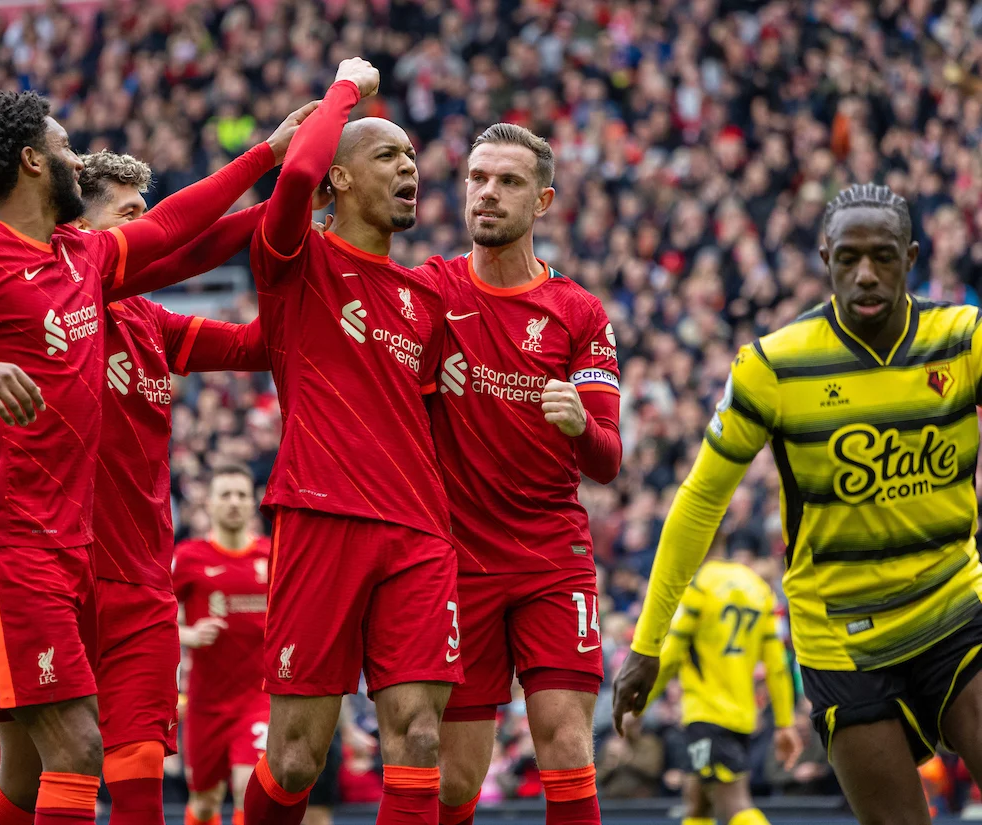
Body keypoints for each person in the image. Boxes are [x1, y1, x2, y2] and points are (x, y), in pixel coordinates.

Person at [0, 89, 310, 825]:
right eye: (65, 146)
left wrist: (275, 163)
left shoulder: (81, 258)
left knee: (27, 781)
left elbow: (176, 229)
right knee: (78, 749)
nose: (76, 156)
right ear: (33, 160)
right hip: (1, 540)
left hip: (67, 544)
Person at [613, 183, 982, 825]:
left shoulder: (962, 341)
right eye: (848, 258)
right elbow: (701, 500)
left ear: (912, 257)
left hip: (953, 610)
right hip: (841, 640)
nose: (865, 274)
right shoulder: (773, 366)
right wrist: (649, 641)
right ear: (824, 258)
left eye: (883, 256)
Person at [242, 58, 463, 825]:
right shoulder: (295, 258)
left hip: (418, 532)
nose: (410, 168)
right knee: (299, 755)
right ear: (338, 179)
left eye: (412, 158)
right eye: (387, 155)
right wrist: (345, 89)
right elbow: (294, 171)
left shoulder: (427, 299)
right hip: (321, 515)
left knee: (420, 735)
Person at [417, 123, 622, 825]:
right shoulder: (427, 291)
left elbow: (607, 460)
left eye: (507, 182)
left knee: (566, 744)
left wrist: (580, 424)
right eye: (477, 178)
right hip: (457, 561)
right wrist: (419, 382)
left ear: (542, 201)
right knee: (454, 779)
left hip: (549, 559)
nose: (488, 193)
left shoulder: (580, 313)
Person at [74, 150, 270, 825]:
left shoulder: (148, 324)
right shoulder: (65, 300)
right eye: (131, 216)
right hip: (62, 576)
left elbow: (252, 347)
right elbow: (195, 245)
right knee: (42, 772)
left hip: (142, 587)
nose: (148, 229)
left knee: (139, 774)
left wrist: (320, 280)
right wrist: (278, 170)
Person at [642, 549, 801, 825]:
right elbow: (777, 665)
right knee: (696, 800)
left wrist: (640, 701)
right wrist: (784, 723)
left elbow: (670, 655)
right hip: (740, 716)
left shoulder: (699, 585)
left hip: (708, 713)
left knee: (735, 803)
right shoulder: (759, 589)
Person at [172, 464, 272, 825]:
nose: (234, 502)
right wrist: (189, 635)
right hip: (206, 703)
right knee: (204, 802)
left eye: (242, 495)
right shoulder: (188, 557)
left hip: (258, 699)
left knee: (250, 789)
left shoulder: (272, 556)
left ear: (253, 504)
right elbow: (154, 617)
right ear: (210, 503)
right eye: (225, 495)